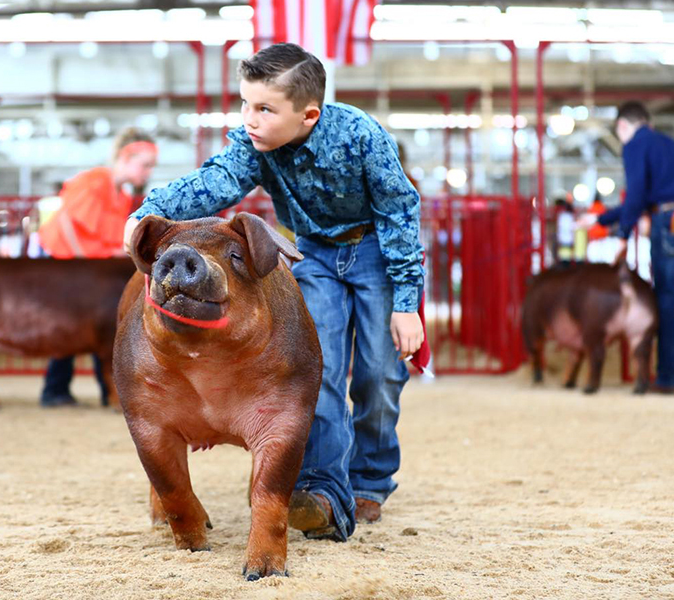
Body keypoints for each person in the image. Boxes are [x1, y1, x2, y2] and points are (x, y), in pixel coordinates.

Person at [124, 43, 425, 541]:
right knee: (318, 370)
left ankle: (369, 481)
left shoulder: (362, 135)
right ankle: (324, 492)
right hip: (313, 254)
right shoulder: (251, 144)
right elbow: (215, 180)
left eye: (264, 108)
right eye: (245, 104)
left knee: (378, 374)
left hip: (375, 249)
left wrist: (407, 303)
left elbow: (399, 211)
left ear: (309, 114)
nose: (250, 119)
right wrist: (149, 211)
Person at [577, 101, 674, 394]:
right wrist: (601, 218)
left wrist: (622, 234)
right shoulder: (669, 144)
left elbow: (636, 194)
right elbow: (643, 198)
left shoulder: (635, 145)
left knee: (665, 296)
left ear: (623, 125)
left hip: (668, 219)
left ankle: (667, 375)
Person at [38, 127, 157, 407]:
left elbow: (106, 237)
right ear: (125, 157)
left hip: (86, 270)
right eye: (145, 165)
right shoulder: (95, 179)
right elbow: (66, 220)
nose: (147, 172)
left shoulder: (122, 195)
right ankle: (55, 390)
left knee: (96, 324)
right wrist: (82, 263)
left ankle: (102, 390)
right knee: (71, 325)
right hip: (69, 266)